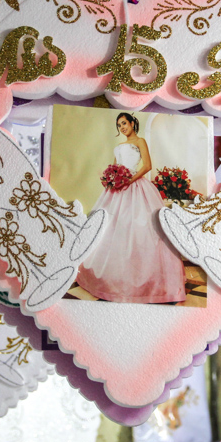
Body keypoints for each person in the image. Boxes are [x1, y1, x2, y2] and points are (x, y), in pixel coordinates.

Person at [74, 113, 186, 303]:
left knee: (141, 229)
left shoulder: (140, 141)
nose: (122, 127)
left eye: (124, 123)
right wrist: (111, 179)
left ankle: (145, 281)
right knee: (111, 229)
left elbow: (147, 165)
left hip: (136, 186)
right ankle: (112, 279)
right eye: (119, 125)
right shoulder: (118, 147)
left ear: (133, 123)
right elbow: (116, 166)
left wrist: (127, 180)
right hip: (117, 190)